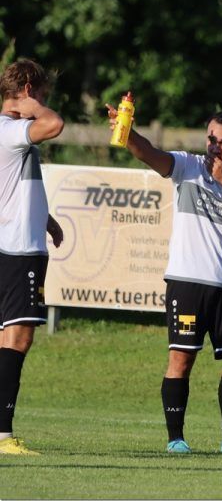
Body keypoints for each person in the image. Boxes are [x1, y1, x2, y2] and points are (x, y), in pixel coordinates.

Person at [106, 104, 222, 454]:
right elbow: (150, 154)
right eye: (211, 139)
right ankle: (176, 438)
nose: (215, 147)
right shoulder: (187, 167)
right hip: (188, 282)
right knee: (181, 359)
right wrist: (126, 131)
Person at [0, 59, 65, 455]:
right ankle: (3, 435)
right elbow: (55, 125)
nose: (45, 102)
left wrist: (48, 219)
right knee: (18, 336)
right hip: (17, 248)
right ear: (26, 88)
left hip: (18, 240)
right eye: (42, 94)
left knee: (8, 335)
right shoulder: (11, 131)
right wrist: (34, 107)